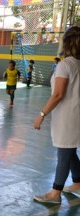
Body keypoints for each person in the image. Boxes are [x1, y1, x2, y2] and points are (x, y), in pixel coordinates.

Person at [33, 26, 80, 204]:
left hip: (67, 117)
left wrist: (41, 114)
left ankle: (55, 193)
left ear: (66, 43)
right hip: (76, 116)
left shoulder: (65, 65)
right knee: (69, 150)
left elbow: (58, 94)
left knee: (64, 153)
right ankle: (78, 182)